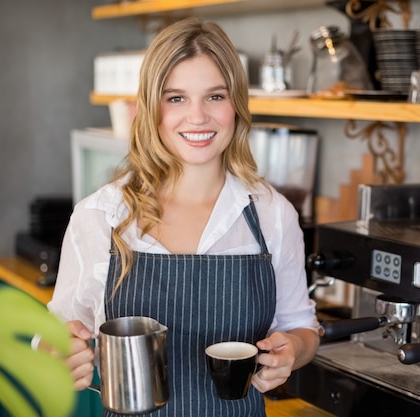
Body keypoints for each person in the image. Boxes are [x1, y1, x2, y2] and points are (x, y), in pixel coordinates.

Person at [47, 16, 320, 417]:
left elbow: (303, 327)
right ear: (150, 107)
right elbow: (57, 333)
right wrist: (60, 352)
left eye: (215, 96)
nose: (197, 117)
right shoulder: (100, 216)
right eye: (175, 98)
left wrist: (293, 350)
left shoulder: (271, 214)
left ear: (236, 104)